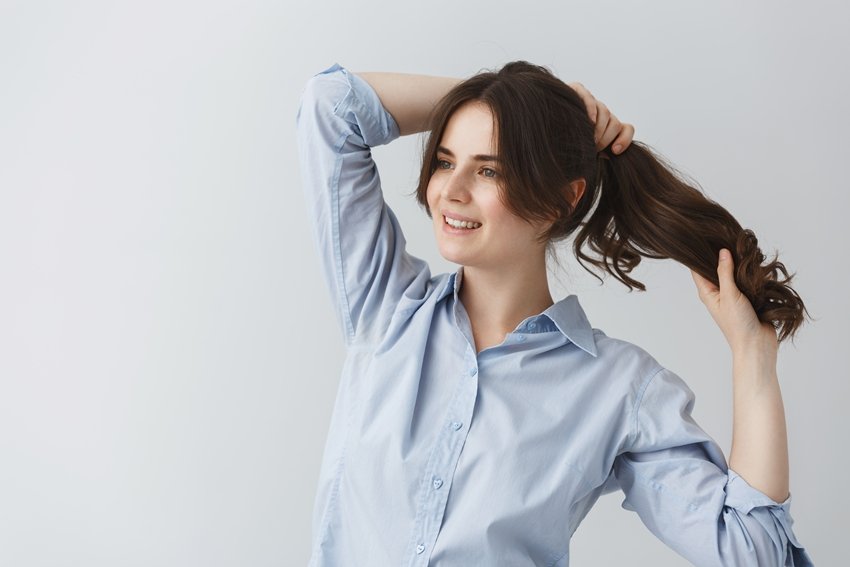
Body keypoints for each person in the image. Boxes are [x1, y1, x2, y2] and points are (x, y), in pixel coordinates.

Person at [295, 61, 813, 566]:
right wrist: (511, 102)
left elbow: (754, 553)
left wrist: (753, 356)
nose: (451, 191)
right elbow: (331, 106)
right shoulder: (386, 310)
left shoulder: (618, 390)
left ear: (562, 200)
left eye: (490, 169)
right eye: (447, 161)